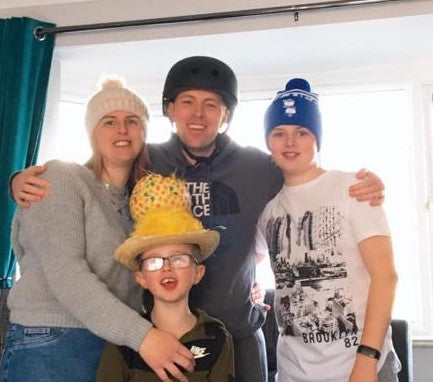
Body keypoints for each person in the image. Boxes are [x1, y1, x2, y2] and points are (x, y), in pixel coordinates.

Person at [9, 56, 385, 382]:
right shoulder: (144, 160)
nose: (198, 114)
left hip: (238, 335)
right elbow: (93, 184)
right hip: (161, 337)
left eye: (211, 104)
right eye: (187, 102)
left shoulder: (258, 167)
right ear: (169, 110)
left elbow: (304, 177)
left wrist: (362, 185)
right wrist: (18, 182)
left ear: (226, 115)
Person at [1, 78, 195, 382]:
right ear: (92, 132)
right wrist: (144, 337)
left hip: (113, 343)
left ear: (144, 131)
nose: (122, 130)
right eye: (109, 121)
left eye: (132, 121)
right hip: (53, 340)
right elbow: (66, 273)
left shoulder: (139, 205)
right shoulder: (61, 178)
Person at [255, 78, 401, 381]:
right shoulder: (267, 209)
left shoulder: (354, 189)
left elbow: (385, 276)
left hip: (359, 364)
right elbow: (249, 261)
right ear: (268, 142)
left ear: (317, 139)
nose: (290, 142)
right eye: (279, 133)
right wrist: (249, 288)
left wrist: (367, 359)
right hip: (294, 370)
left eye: (302, 132)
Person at [96, 173, 234, 381]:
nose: (167, 268)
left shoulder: (216, 336)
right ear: (141, 277)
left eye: (179, 259)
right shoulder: (124, 340)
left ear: (198, 273)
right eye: (154, 262)